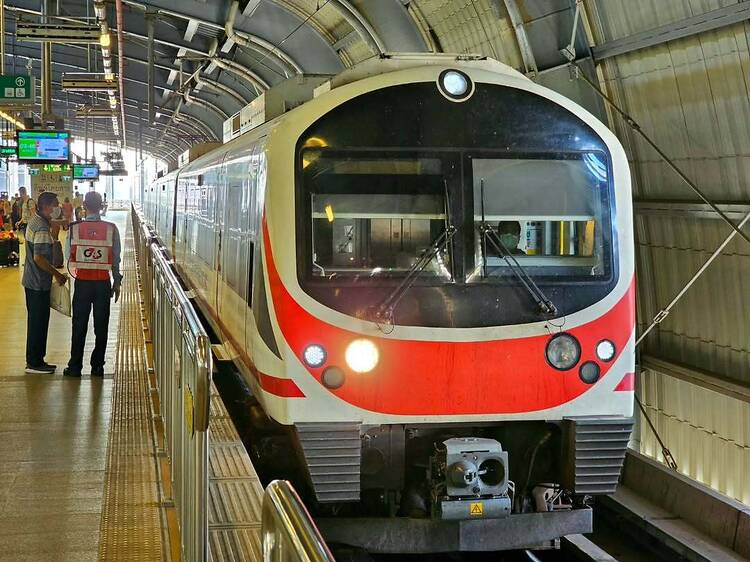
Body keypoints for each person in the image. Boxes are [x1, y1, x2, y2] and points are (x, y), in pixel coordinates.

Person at [64, 191, 122, 377]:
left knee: (79, 325)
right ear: (101, 205)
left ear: (84, 206)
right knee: (101, 326)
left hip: (82, 284)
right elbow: (116, 259)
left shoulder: (74, 229)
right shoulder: (112, 229)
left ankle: (75, 367)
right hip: (102, 284)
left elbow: (68, 256)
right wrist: (117, 282)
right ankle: (97, 366)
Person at [22, 191, 67, 374]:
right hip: (38, 283)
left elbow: (48, 223)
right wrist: (57, 274)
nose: (58, 208)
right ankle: (34, 363)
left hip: (31, 282)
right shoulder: (40, 227)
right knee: (38, 323)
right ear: (47, 206)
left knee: (36, 321)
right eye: (55, 205)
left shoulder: (36, 220)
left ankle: (36, 359)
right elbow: (39, 258)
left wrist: (60, 223)